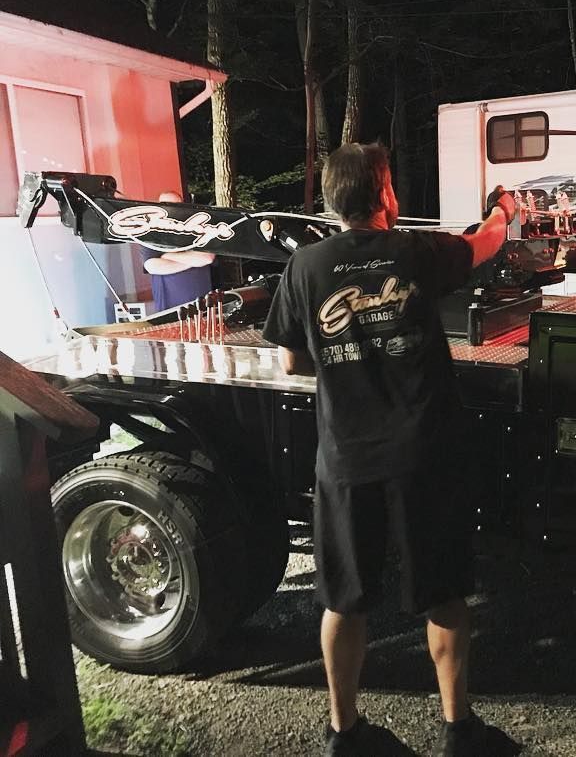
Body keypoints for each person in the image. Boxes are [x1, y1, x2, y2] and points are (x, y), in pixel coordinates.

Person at [262, 143, 514, 757]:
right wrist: (503, 209)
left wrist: (347, 354)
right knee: (443, 594)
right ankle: (459, 733)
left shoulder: (306, 266)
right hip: (423, 456)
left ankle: (344, 733)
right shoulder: (415, 252)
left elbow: (292, 358)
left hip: (347, 461)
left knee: (343, 598)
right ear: (384, 195)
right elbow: (485, 244)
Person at [139, 191, 216, 312]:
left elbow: (207, 258)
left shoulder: (199, 229)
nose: (170, 209)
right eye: (165, 204)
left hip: (203, 304)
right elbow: (152, 266)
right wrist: (192, 261)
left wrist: (167, 256)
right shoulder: (150, 234)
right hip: (170, 308)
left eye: (175, 205)